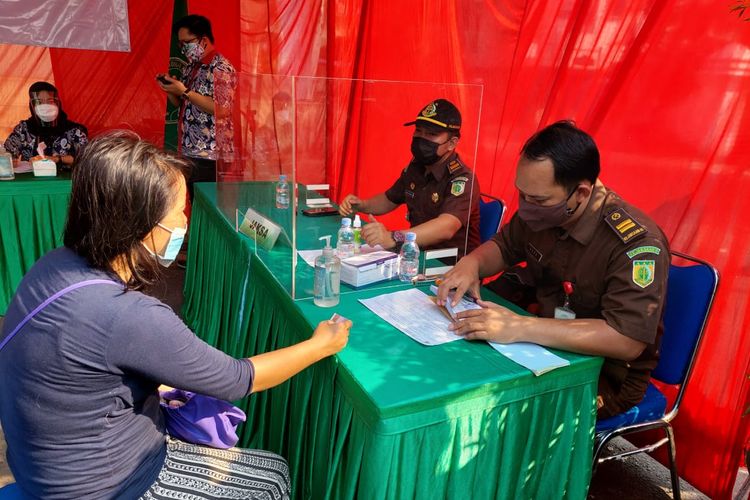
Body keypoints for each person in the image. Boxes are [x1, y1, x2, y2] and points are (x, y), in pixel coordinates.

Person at [0, 132, 351, 499]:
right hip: (106, 484)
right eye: (179, 210)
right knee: (274, 477)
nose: (185, 220)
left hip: (41, 464)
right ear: (142, 224)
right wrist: (320, 345)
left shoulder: (54, 263)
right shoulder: (128, 315)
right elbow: (238, 378)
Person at [437, 121, 670, 419]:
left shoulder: (635, 243)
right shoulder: (543, 211)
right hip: (543, 344)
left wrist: (520, 327)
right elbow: (505, 247)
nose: (526, 206)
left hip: (602, 375)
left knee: (492, 410)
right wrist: (473, 264)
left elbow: (626, 339)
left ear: (581, 193)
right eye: (522, 194)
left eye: (538, 200)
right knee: (457, 373)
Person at [338, 99, 481, 256]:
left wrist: (394, 237)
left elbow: (446, 227)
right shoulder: (417, 167)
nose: (422, 138)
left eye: (432, 134)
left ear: (452, 143)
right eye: (418, 131)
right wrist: (361, 205)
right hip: (415, 255)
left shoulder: (462, 179)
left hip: (450, 267)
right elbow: (390, 199)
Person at [156, 14, 235, 200]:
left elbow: (222, 110)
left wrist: (184, 91)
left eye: (187, 43)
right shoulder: (192, 67)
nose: (183, 49)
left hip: (210, 154)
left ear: (203, 39)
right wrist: (170, 89)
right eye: (180, 44)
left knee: (208, 205)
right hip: (189, 150)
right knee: (194, 201)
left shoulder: (221, 68)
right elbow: (181, 103)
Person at [3, 81, 88, 169]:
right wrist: (10, 161)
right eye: (39, 102)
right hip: (32, 181)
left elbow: (86, 158)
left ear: (57, 103)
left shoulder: (74, 130)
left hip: (66, 181)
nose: (45, 105)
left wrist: (57, 159)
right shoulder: (24, 129)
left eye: (50, 101)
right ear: (32, 105)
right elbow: (5, 153)